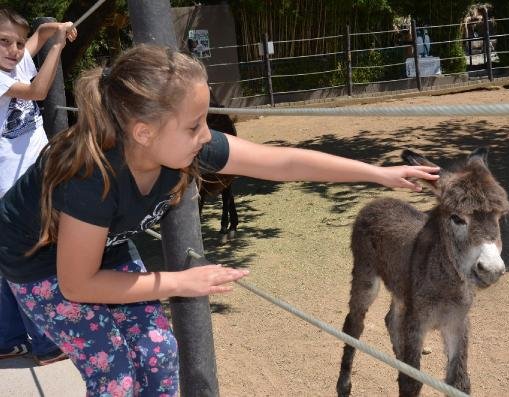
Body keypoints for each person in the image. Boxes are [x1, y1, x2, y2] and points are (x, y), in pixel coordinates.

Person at [0, 44, 439, 395]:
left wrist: (378, 175)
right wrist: (180, 283)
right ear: (143, 132)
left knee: (157, 352)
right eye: (194, 126)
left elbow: (281, 163)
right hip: (39, 267)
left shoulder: (175, 145)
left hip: (103, 248)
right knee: (115, 377)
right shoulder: (93, 178)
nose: (206, 136)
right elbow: (77, 284)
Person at [0, 7, 77, 366]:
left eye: (17, 42)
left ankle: (8, 340)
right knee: (32, 263)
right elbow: (39, 90)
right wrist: (57, 47)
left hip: (24, 183)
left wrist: (53, 28)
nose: (14, 50)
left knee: (9, 265)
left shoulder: (15, 62)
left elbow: (38, 36)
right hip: (13, 189)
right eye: (4, 42)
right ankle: (47, 345)